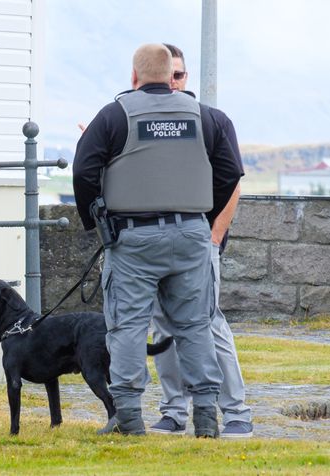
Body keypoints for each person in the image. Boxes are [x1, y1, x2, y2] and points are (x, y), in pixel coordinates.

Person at [73, 44, 243, 437]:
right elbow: (230, 172)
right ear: (172, 77)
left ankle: (130, 420)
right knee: (196, 327)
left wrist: (96, 219)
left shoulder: (115, 115)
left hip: (133, 240)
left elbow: (84, 169)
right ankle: (206, 419)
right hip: (191, 237)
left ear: (134, 77)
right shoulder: (208, 118)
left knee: (128, 327)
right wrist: (200, 214)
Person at [148, 43, 252, 438]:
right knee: (163, 327)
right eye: (166, 76)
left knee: (208, 324)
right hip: (154, 241)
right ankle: (174, 411)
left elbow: (233, 181)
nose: (172, 83)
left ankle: (237, 412)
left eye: (179, 75)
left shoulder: (212, 121)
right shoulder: (140, 120)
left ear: (186, 78)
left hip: (199, 241)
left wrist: (214, 235)